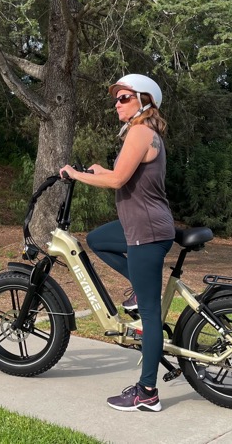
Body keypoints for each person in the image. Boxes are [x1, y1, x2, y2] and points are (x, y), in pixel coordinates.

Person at [59, 73, 175, 412]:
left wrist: (78, 174)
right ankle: (139, 289)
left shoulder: (141, 131)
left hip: (147, 232)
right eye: (116, 98)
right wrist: (97, 170)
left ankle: (147, 392)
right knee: (97, 239)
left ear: (144, 102)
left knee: (150, 316)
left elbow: (119, 179)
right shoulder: (140, 134)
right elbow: (123, 174)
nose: (117, 104)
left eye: (124, 98)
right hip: (139, 227)